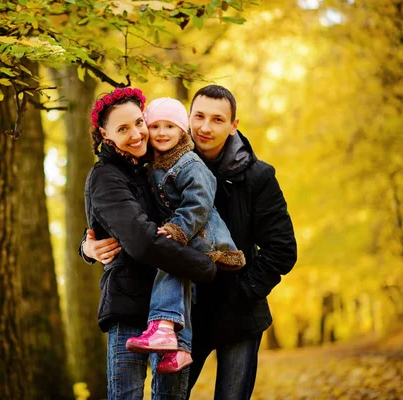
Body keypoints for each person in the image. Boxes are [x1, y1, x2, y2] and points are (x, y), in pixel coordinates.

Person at [82, 85, 297, 400]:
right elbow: (126, 216)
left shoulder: (257, 176)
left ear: (233, 125)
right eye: (199, 116)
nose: (206, 127)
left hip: (238, 311)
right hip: (187, 311)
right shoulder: (157, 164)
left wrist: (242, 290)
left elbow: (282, 250)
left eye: (218, 119)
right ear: (188, 117)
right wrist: (87, 247)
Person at [82, 86, 222, 400]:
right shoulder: (105, 176)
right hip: (130, 306)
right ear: (106, 135)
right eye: (122, 129)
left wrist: (86, 246)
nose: (136, 134)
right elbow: (141, 241)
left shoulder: (160, 165)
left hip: (174, 314)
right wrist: (204, 266)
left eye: (138, 122)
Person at [125, 98, 245, 375]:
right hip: (190, 237)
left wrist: (176, 230)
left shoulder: (188, 163)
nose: (162, 132)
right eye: (155, 126)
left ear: (183, 131)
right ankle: (180, 349)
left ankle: (163, 325)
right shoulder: (156, 165)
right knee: (185, 288)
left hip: (203, 237)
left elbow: (199, 202)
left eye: (170, 126)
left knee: (170, 265)